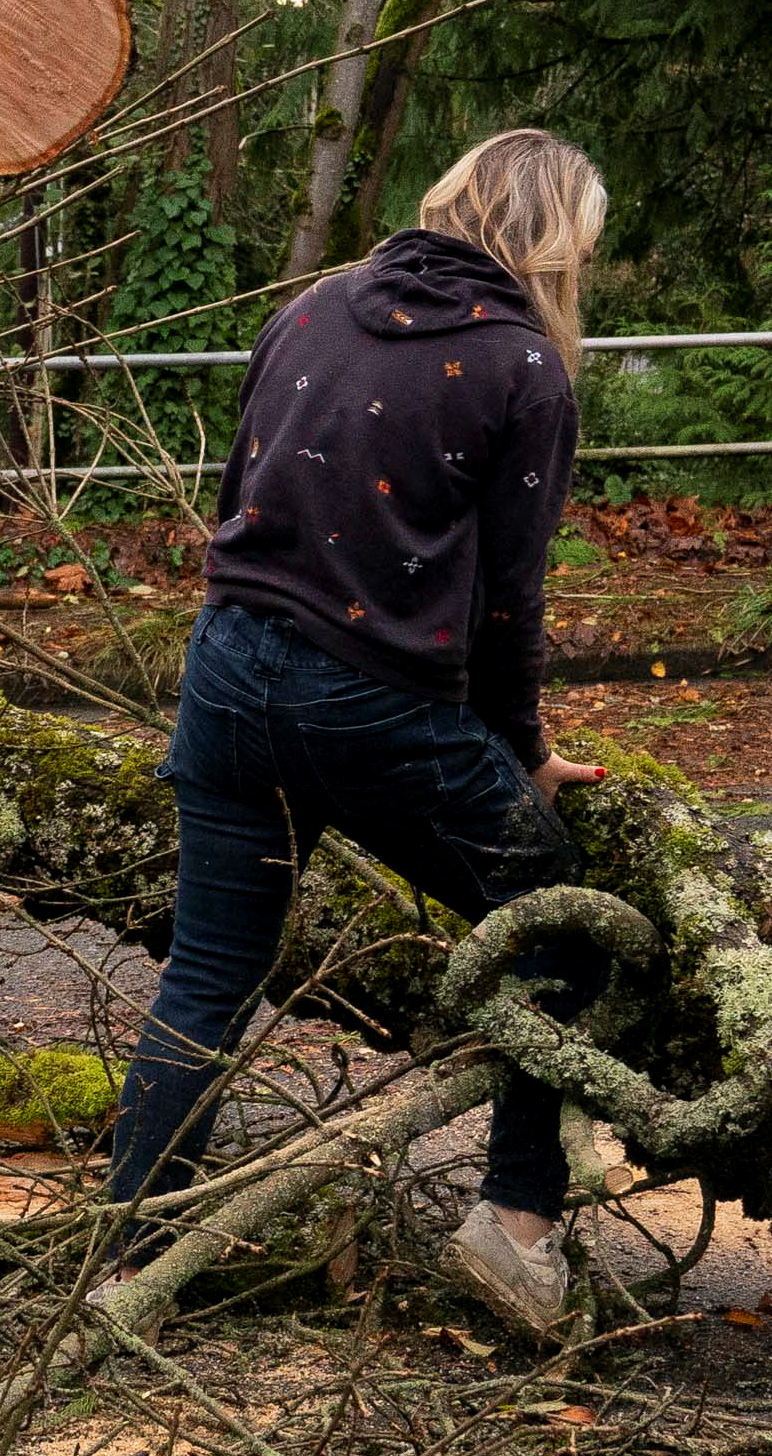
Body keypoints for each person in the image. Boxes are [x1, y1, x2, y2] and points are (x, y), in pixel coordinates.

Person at [104, 128, 609, 1331]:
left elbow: (236, 490)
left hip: (224, 673)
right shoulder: (522, 364)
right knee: (568, 927)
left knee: (208, 979)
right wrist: (522, 753)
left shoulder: (314, 305)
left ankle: (124, 1261)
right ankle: (516, 1222)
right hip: (369, 702)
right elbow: (508, 603)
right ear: (553, 241)